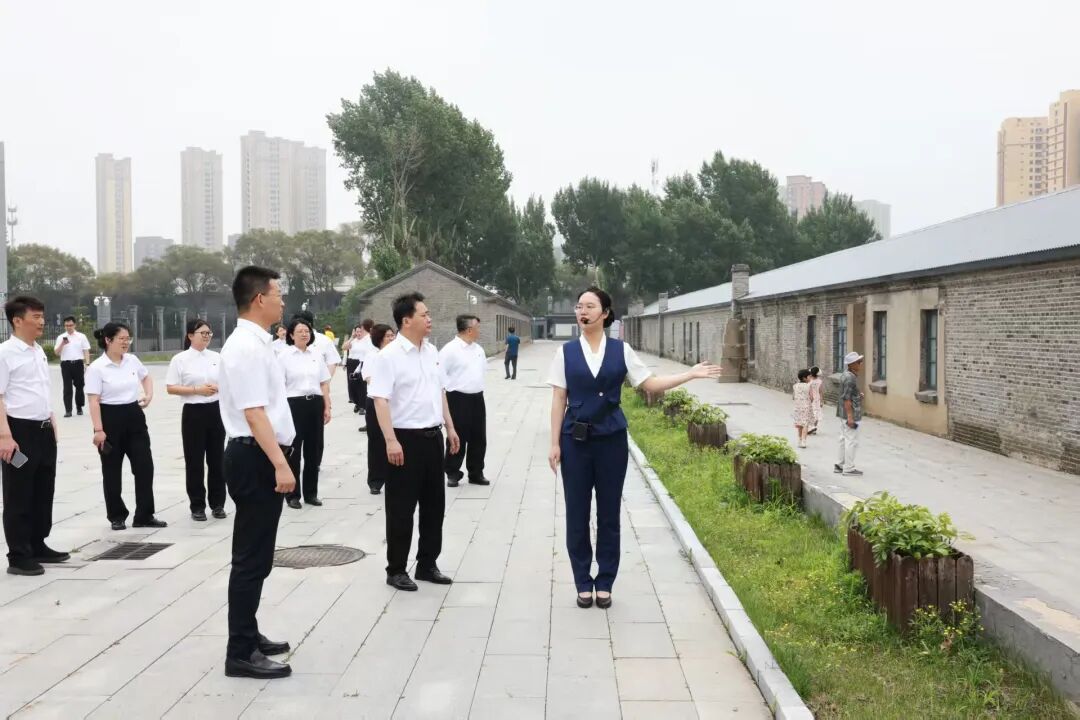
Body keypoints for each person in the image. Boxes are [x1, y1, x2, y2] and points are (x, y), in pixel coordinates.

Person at [547, 287, 721, 609]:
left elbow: (649, 384)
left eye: (589, 306)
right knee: (577, 513)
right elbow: (559, 398)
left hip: (612, 441)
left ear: (605, 313)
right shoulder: (565, 353)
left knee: (609, 513)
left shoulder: (621, 350)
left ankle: (605, 582)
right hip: (576, 442)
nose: (582, 311)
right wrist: (554, 443)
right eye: (579, 306)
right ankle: (583, 581)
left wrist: (690, 374)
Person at [218, 266, 296, 680]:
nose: (283, 301)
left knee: (260, 556)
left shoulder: (260, 342)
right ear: (259, 299)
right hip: (255, 457)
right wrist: (280, 463)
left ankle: (249, 633)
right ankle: (240, 652)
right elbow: (253, 413)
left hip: (260, 453)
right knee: (250, 559)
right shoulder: (245, 347)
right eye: (278, 294)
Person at [368, 292, 460, 591]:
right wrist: (390, 441)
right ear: (406, 321)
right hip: (404, 440)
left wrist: (450, 428)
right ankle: (396, 569)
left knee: (434, 506)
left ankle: (427, 564)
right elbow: (380, 400)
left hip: (433, 438)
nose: (429, 319)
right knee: (401, 508)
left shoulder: (432, 352)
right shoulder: (388, 357)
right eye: (424, 314)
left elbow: (440, 392)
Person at [0, 296, 66, 576]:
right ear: (17, 320)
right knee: (19, 493)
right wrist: (4, 436)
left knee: (43, 489)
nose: (42, 322)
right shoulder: (5, 353)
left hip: (43, 429)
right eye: (36, 317)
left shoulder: (38, 350)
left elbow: (40, 389)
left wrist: (51, 420)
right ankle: (18, 555)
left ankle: (37, 544)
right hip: (18, 432)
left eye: (42, 316)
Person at [86, 322, 165, 531]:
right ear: (108, 340)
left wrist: (149, 394)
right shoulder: (97, 368)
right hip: (109, 419)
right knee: (112, 470)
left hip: (134, 416)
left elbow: (146, 376)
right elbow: (93, 401)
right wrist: (98, 430)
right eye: (121, 338)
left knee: (144, 466)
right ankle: (117, 515)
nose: (126, 342)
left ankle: (144, 515)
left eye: (128, 338)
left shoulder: (132, 360)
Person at [166, 319, 227, 521]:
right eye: (203, 333)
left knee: (217, 460)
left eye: (209, 333)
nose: (207, 336)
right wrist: (196, 390)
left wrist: (218, 388)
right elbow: (171, 387)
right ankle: (197, 505)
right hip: (193, 412)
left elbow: (227, 382)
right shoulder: (180, 359)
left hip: (215, 410)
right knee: (194, 461)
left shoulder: (217, 357)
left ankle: (218, 504)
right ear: (190, 335)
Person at [279, 317, 332, 509]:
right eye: (300, 331)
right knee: (294, 450)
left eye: (307, 331)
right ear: (291, 335)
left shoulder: (316, 354)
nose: (304, 334)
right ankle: (292, 495)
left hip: (315, 403)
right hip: (294, 405)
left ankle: (311, 493)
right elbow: (279, 386)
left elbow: (324, 382)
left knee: (313, 450)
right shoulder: (284, 356)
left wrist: (327, 406)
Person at [441, 315, 490, 488]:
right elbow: (439, 375)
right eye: (477, 327)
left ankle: (476, 473)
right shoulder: (449, 350)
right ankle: (452, 472)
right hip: (457, 399)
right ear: (469, 330)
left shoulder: (479, 349)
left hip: (477, 398)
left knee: (479, 437)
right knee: (457, 436)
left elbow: (482, 371)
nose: (479, 330)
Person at [361, 323, 396, 494]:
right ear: (379, 339)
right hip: (376, 402)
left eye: (392, 335)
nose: (392, 338)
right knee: (376, 442)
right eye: (388, 336)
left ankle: (393, 477)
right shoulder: (372, 355)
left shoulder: (396, 356)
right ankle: (375, 480)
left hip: (394, 403)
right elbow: (368, 378)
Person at [54, 316, 91, 418]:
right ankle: (68, 410)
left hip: (78, 363)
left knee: (79, 386)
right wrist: (62, 344)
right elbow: (56, 353)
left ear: (74, 325)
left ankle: (79, 407)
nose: (68, 327)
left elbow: (86, 350)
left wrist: (87, 363)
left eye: (70, 325)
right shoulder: (61, 337)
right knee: (67, 388)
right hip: (66, 364)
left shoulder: (81, 336)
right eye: (66, 325)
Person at [835, 352, 864, 477]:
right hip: (850, 413)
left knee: (843, 439)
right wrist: (850, 417)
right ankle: (849, 468)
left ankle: (840, 465)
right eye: (858, 362)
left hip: (843, 413)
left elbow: (847, 394)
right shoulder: (850, 378)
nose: (860, 364)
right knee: (851, 440)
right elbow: (846, 398)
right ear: (851, 364)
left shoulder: (845, 375)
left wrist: (857, 394)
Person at [294, 311, 340, 379]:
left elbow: (332, 362)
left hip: (318, 383)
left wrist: (325, 382)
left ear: (309, 324)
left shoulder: (324, 340)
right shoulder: (291, 340)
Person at [343, 320, 375, 414]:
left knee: (361, 385)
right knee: (352, 385)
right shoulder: (353, 340)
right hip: (351, 363)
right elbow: (344, 347)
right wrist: (351, 338)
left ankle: (363, 406)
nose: (359, 333)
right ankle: (356, 402)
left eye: (360, 331)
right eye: (357, 331)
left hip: (361, 363)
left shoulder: (367, 340)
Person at [792, 369, 812, 449]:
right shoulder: (808, 386)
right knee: (805, 424)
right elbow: (811, 397)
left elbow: (793, 397)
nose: (810, 378)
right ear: (804, 378)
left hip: (797, 407)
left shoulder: (795, 386)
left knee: (799, 424)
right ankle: (804, 441)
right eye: (809, 376)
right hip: (806, 407)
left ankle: (799, 440)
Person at [808, 366, 823, 435]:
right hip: (817, 399)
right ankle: (814, 427)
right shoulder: (820, 381)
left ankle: (811, 427)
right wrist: (822, 401)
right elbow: (820, 392)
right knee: (816, 413)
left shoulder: (809, 381)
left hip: (810, 398)